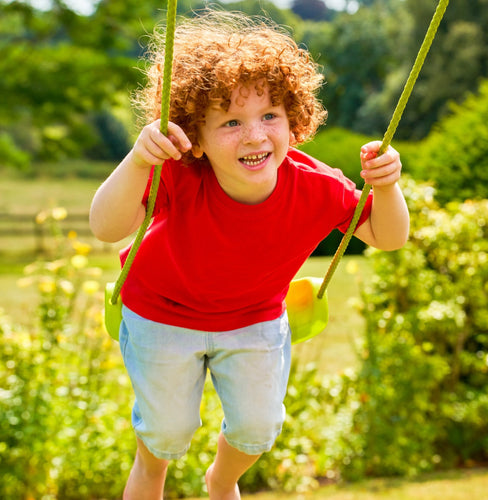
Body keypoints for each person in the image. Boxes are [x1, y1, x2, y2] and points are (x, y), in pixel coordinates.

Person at [90, 9, 409, 500]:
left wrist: (387, 188)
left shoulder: (317, 188)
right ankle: (151, 467)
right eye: (231, 122)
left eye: (269, 116)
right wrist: (137, 159)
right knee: (166, 434)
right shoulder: (178, 173)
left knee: (260, 427)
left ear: (293, 121)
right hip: (160, 312)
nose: (255, 135)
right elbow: (105, 227)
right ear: (194, 135)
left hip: (253, 319)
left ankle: (221, 480)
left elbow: (386, 237)